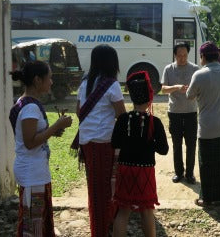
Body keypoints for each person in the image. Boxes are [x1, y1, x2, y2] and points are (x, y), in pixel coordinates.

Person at [9, 60, 72, 236]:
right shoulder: (30, 107)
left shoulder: (25, 102)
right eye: (49, 78)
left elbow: (34, 137)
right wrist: (55, 126)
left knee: (37, 219)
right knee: (33, 223)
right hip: (32, 172)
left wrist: (54, 130)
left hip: (34, 170)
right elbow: (30, 142)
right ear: (38, 80)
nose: (51, 82)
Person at [76, 44, 126, 237]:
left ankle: (100, 226)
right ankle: (102, 229)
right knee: (105, 190)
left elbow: (79, 111)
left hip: (87, 142)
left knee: (95, 188)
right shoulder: (111, 85)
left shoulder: (85, 83)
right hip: (104, 142)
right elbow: (122, 115)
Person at [111, 71, 169, 237]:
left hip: (125, 169)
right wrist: (149, 143)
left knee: (123, 210)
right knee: (147, 210)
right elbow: (164, 150)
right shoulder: (155, 122)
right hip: (145, 171)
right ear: (150, 96)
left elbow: (115, 143)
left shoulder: (123, 119)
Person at [186, 41, 220, 207]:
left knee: (208, 165)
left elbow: (190, 95)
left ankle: (207, 198)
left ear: (202, 57)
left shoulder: (199, 75)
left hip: (208, 128)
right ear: (217, 55)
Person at [161, 43, 199, 184]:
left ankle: (190, 173)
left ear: (187, 54)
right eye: (179, 56)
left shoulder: (195, 69)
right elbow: (163, 89)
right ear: (174, 55)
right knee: (177, 144)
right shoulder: (169, 69)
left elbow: (199, 88)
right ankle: (178, 173)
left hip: (191, 111)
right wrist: (176, 87)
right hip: (175, 112)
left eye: (184, 55)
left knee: (191, 144)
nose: (182, 58)